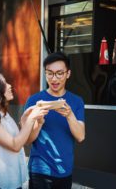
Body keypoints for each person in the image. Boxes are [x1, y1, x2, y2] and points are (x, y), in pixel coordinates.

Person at [0, 71, 50, 189]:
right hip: (2, 182)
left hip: (13, 179)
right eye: (4, 83)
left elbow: (24, 141)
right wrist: (31, 119)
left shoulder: (2, 113)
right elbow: (15, 145)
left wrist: (37, 122)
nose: (9, 85)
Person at [24, 52, 85, 189]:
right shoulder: (34, 101)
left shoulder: (76, 102)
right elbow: (27, 140)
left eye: (59, 73)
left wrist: (69, 115)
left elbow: (81, 136)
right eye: (50, 73)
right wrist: (38, 123)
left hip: (65, 170)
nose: (54, 79)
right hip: (39, 170)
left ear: (68, 74)